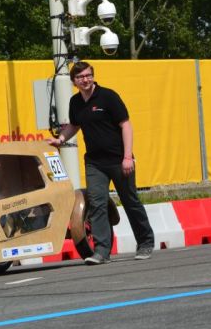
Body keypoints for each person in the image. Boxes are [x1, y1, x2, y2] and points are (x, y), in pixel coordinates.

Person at [47, 61, 154, 264]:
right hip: (95, 163)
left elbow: (126, 126)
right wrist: (60, 139)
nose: (85, 80)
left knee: (130, 201)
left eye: (88, 75)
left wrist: (127, 157)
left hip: (119, 160)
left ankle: (145, 242)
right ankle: (102, 251)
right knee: (97, 204)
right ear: (74, 82)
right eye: (80, 77)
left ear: (93, 76)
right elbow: (74, 125)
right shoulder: (75, 102)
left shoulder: (108, 97)